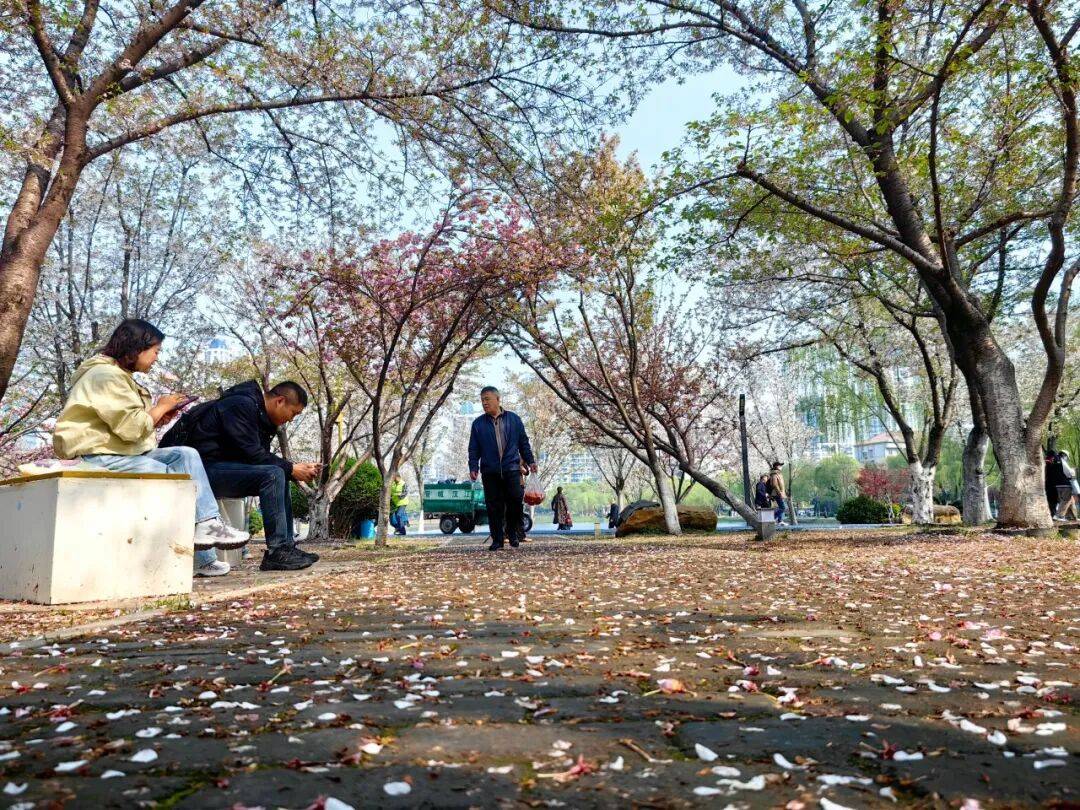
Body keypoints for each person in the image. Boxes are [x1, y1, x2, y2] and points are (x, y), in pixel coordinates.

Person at [52, 319, 249, 578]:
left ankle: (207, 533)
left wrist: (157, 417)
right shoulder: (106, 376)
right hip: (97, 455)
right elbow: (131, 428)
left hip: (119, 452)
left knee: (185, 455)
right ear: (136, 349)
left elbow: (127, 425)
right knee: (167, 475)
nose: (157, 358)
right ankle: (172, 558)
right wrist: (161, 408)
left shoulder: (119, 376)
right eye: (155, 351)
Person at [161, 380, 321, 571]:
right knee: (274, 473)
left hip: (214, 468)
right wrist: (292, 468)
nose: (291, 419)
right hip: (196, 472)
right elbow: (253, 454)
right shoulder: (241, 405)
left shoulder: (258, 414)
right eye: (293, 413)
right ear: (280, 401)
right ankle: (277, 551)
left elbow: (256, 457)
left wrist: (293, 469)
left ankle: (285, 547)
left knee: (278, 473)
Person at [468, 386, 537, 551]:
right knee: (493, 506)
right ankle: (497, 539)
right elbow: (473, 448)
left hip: (512, 468)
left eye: (487, 399)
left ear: (498, 400)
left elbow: (523, 442)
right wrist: (473, 466)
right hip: (489, 471)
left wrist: (530, 460)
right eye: (482, 400)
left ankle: (512, 533)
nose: (484, 403)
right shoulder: (478, 424)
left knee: (514, 502)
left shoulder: (514, 419)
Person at [1054, 450, 1079, 521]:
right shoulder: (1062, 462)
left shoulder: (1055, 462)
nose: (1067, 459)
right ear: (1064, 455)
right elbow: (1069, 473)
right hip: (1065, 484)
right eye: (1067, 457)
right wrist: (1073, 470)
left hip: (1058, 484)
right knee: (1066, 500)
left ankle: (1072, 517)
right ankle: (1059, 516)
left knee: (1071, 500)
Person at [768, 461, 788, 526]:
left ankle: (780, 521)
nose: (781, 467)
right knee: (783, 507)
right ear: (776, 466)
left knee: (781, 507)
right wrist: (779, 492)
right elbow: (774, 484)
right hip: (777, 493)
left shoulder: (778, 474)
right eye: (780, 465)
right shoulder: (774, 474)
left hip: (780, 493)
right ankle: (772, 518)